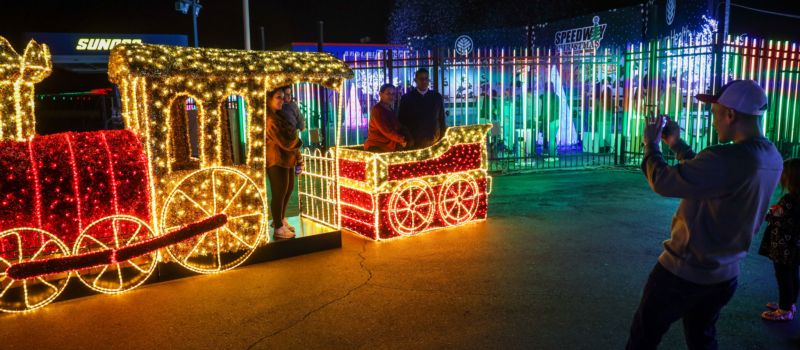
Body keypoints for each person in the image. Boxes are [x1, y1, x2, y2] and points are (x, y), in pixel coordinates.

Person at [627, 80, 784, 350]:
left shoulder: (726, 158)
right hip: (725, 275)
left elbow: (664, 181)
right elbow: (709, 177)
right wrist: (677, 145)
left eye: (715, 113)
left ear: (730, 114)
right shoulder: (771, 157)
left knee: (644, 336)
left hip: (683, 272)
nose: (713, 121)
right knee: (703, 338)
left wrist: (651, 145)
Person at [758, 158, 800, 321]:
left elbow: (778, 218)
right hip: (795, 246)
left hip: (783, 247)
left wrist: (770, 213)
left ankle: (784, 310)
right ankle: (789, 303)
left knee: (784, 277)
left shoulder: (789, 200)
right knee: (793, 274)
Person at [265, 88, 302, 239]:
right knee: (279, 193)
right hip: (276, 159)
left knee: (288, 189)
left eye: (284, 97)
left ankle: (280, 219)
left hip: (287, 158)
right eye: (278, 97)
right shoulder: (270, 119)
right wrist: (298, 142)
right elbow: (285, 140)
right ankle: (278, 227)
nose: (282, 100)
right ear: (269, 99)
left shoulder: (279, 115)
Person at [398, 68, 446, 149]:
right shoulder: (407, 98)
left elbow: (441, 118)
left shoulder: (436, 97)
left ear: (428, 80)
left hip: (434, 140)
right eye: (421, 79)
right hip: (414, 142)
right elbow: (402, 121)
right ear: (415, 80)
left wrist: (442, 137)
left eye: (426, 79)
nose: (424, 81)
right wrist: (408, 138)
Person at [364, 83, 407, 152]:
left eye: (393, 94)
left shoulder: (390, 109)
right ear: (381, 94)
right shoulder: (377, 110)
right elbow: (386, 130)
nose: (391, 96)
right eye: (388, 93)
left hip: (390, 144)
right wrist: (401, 139)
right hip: (378, 145)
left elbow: (397, 125)